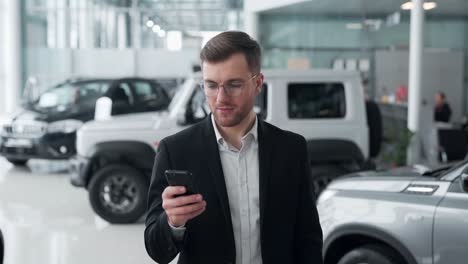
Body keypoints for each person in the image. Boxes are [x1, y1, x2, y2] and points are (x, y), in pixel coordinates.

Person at [144, 31, 323, 264]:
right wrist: (173, 222)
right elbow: (157, 250)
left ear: (258, 83)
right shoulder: (176, 151)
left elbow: (308, 237)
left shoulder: (292, 149)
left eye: (234, 85)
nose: (221, 98)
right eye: (211, 85)